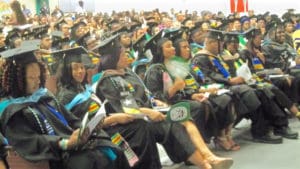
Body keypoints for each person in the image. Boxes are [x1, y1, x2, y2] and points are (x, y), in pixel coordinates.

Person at [94, 35, 233, 169]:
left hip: (147, 112)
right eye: (123, 54)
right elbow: (128, 109)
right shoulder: (110, 80)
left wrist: (154, 102)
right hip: (132, 121)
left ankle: (208, 158)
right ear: (113, 58)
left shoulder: (127, 72)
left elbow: (145, 94)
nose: (127, 56)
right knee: (173, 124)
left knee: (183, 116)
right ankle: (206, 164)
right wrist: (150, 111)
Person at [0, 45, 130, 169]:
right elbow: (31, 142)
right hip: (54, 156)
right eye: (31, 78)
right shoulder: (12, 111)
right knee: (95, 160)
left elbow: (71, 119)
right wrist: (65, 142)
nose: (38, 81)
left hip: (74, 145)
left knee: (113, 149)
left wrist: (85, 130)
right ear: (18, 80)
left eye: (39, 76)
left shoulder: (44, 96)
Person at [56, 46, 161, 169]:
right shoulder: (66, 97)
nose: (80, 71)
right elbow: (82, 126)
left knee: (141, 125)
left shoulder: (83, 88)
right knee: (140, 129)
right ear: (67, 71)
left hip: (104, 128)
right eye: (75, 68)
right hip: (93, 136)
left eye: (82, 67)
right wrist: (115, 119)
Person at [191, 29, 283, 144]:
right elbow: (207, 77)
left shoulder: (216, 56)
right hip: (217, 88)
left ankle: (274, 125)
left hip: (228, 84)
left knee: (260, 90)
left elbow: (227, 71)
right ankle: (259, 132)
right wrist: (229, 81)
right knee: (247, 91)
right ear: (210, 43)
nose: (221, 46)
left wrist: (235, 77)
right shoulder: (200, 58)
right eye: (219, 43)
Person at [173, 38, 239, 151]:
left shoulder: (191, 65)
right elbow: (184, 88)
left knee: (231, 96)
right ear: (177, 50)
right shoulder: (176, 67)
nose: (188, 49)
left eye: (188, 47)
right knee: (223, 100)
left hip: (202, 90)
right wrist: (202, 91)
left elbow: (202, 80)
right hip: (191, 95)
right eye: (184, 47)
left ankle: (228, 135)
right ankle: (220, 136)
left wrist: (210, 87)